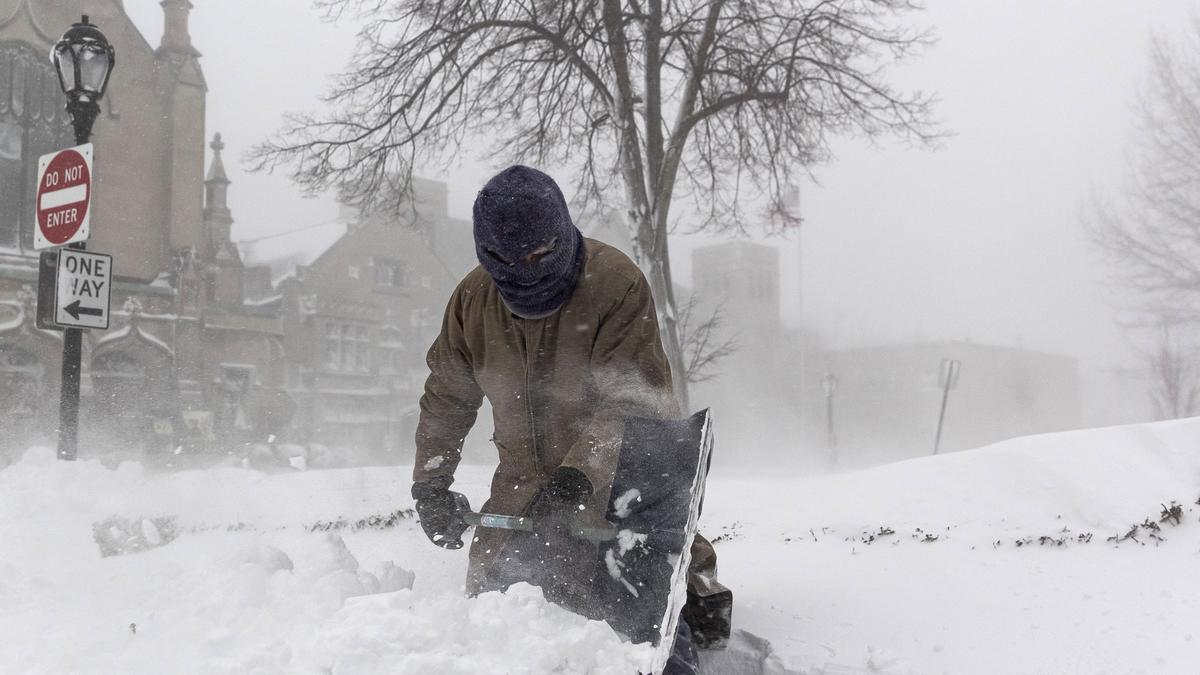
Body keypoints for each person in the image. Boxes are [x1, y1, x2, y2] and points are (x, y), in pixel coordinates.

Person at [410, 165, 732, 656]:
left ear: (561, 235)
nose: (525, 270)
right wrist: (430, 485)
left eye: (539, 254)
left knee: (635, 621)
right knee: (497, 618)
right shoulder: (472, 301)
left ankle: (690, 588)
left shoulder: (613, 284)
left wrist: (579, 477)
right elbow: (447, 397)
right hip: (520, 490)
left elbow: (637, 399)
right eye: (506, 259)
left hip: (612, 484)